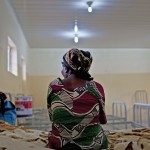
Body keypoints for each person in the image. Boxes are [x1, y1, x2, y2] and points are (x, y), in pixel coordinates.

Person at [47, 48, 108, 150]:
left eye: (62, 66)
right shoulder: (97, 88)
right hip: (94, 145)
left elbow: (52, 117)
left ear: (66, 68)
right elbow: (103, 120)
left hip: (60, 144)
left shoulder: (54, 86)